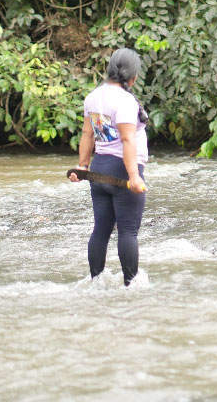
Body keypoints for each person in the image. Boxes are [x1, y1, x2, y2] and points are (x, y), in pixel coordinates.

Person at [72, 48, 148, 285]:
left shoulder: (93, 97)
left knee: (101, 230)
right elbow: (127, 140)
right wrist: (134, 176)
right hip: (122, 171)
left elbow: (87, 134)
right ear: (132, 77)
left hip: (99, 169)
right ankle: (131, 286)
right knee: (127, 231)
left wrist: (82, 165)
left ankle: (96, 282)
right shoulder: (125, 100)